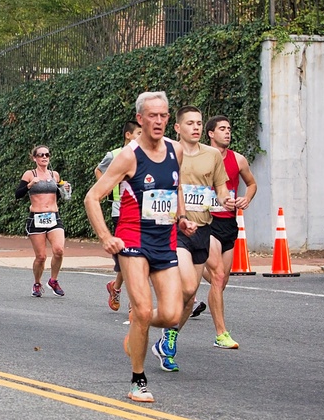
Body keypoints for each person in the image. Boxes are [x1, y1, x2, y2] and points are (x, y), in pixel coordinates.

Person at [84, 91, 194, 403]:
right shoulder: (129, 156)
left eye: (163, 115)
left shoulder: (176, 151)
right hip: (132, 240)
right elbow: (92, 197)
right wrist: (106, 237)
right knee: (144, 308)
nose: (158, 121)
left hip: (165, 239)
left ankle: (138, 326)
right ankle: (138, 380)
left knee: (172, 314)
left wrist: (182, 218)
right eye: (152, 116)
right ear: (141, 120)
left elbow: (177, 186)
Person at [152, 106, 227, 372]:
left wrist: (227, 199)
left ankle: (169, 337)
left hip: (203, 229)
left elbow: (220, 188)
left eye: (198, 123)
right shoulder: (167, 152)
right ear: (178, 128)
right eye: (190, 123)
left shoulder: (213, 155)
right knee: (185, 288)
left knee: (191, 293)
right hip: (176, 229)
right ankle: (148, 318)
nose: (195, 127)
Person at [201, 115, 258, 348]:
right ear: (211, 134)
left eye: (229, 128)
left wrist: (247, 198)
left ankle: (195, 273)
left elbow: (252, 183)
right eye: (222, 129)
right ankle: (221, 334)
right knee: (218, 277)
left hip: (229, 224)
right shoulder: (200, 157)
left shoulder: (239, 160)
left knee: (220, 282)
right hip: (208, 221)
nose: (227, 132)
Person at [94, 121, 141, 311]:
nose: (142, 135)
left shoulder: (147, 154)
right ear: (128, 135)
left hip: (143, 214)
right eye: (138, 132)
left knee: (137, 257)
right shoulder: (114, 155)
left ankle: (118, 288)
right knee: (128, 258)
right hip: (119, 211)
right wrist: (105, 187)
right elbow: (98, 170)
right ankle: (132, 301)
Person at [16, 144, 71, 297]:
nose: (45, 157)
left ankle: (53, 280)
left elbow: (58, 196)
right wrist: (29, 185)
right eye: (41, 155)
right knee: (41, 257)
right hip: (36, 219)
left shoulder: (55, 175)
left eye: (47, 154)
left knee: (59, 250)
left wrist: (64, 189)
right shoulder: (30, 174)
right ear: (35, 158)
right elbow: (17, 194)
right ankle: (37, 283)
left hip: (54, 217)